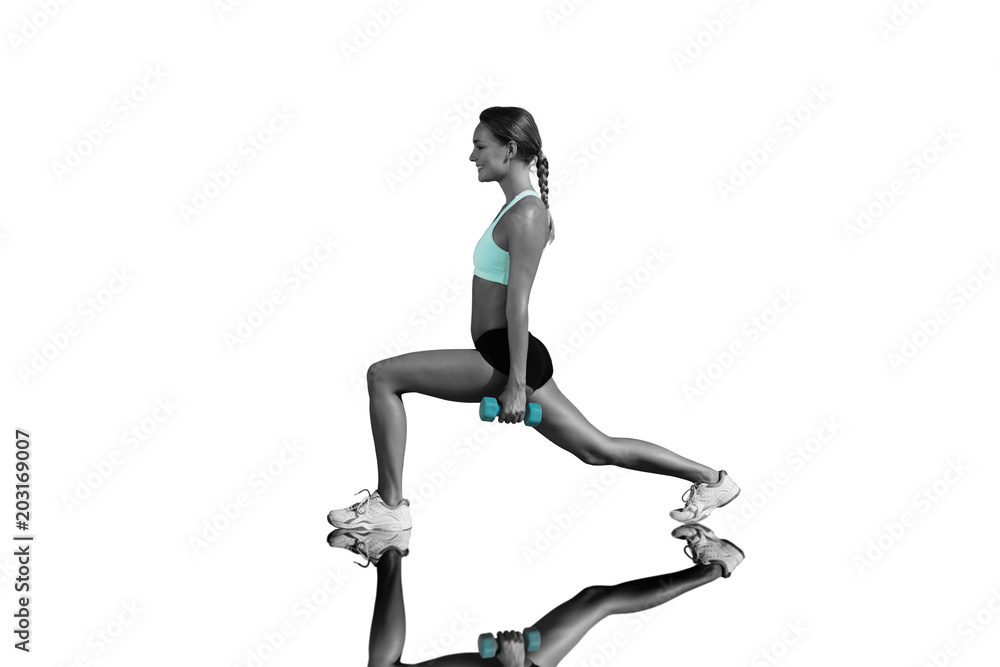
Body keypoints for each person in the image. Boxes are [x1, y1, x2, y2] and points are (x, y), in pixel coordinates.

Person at [329, 106, 739, 531]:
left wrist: (516, 386)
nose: (472, 156)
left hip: (505, 357)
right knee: (597, 449)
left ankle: (391, 507)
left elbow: (518, 304)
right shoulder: (517, 209)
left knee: (383, 376)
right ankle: (712, 480)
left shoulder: (527, 214)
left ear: (509, 149)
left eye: (479, 146)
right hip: (503, 353)